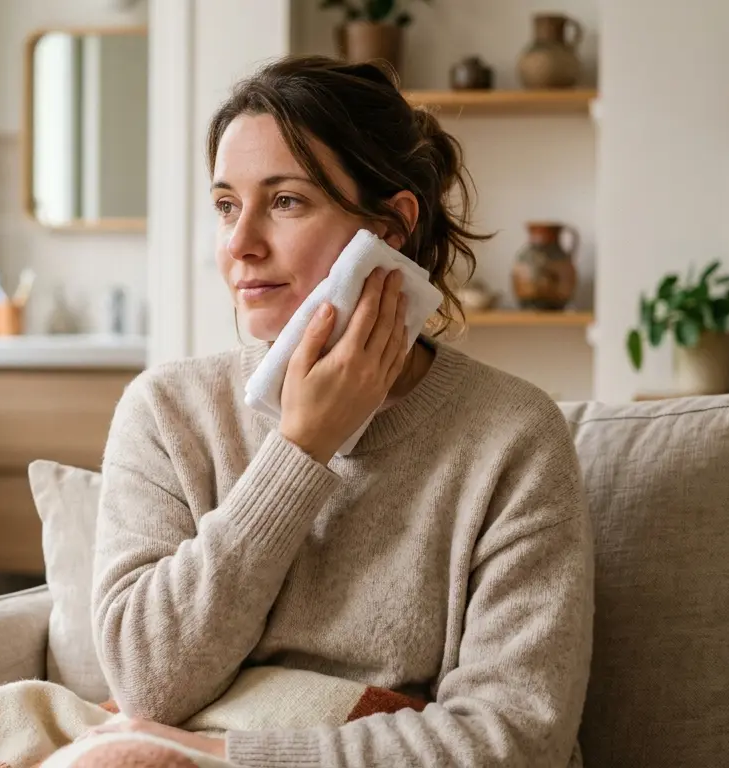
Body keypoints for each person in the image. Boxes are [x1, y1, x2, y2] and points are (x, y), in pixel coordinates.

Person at [88, 55, 593, 767]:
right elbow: (145, 684)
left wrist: (225, 759)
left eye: (285, 201)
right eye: (227, 205)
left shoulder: (513, 436)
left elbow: (516, 739)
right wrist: (299, 449)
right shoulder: (167, 412)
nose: (239, 244)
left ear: (391, 225)